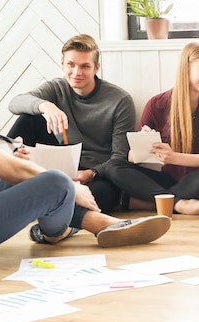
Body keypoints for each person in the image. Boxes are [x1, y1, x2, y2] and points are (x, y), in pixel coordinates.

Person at [0, 24, 171, 271]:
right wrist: (71, 188)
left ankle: (94, 223)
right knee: (56, 184)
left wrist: (12, 156)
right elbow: (9, 169)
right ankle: (57, 231)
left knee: (29, 173)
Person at [7, 33, 133, 213]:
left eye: (85, 66)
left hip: (96, 174)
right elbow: (15, 103)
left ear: (96, 68)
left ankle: (55, 216)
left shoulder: (120, 100)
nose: (76, 72)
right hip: (59, 164)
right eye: (71, 64)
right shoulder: (57, 87)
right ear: (62, 63)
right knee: (28, 117)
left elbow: (119, 157)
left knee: (97, 198)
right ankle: (3, 180)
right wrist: (45, 106)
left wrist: (89, 174)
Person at [105, 41, 199, 216]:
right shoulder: (157, 104)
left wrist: (173, 158)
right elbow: (132, 157)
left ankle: (151, 204)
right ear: (186, 68)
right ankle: (180, 204)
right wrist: (144, 142)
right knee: (113, 166)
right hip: (168, 181)